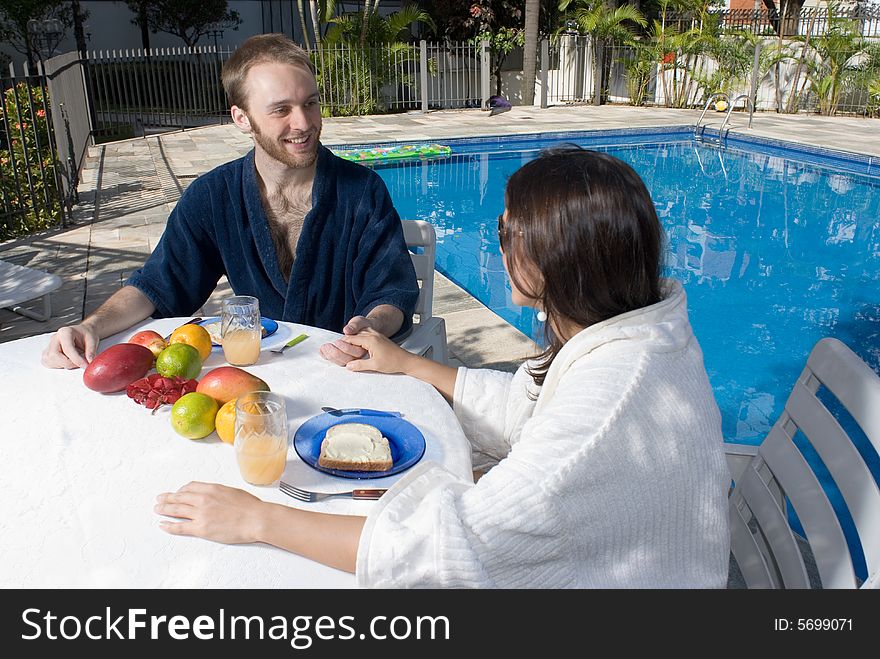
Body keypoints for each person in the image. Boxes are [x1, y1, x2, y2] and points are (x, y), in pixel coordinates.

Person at [154, 147, 731, 588]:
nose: (497, 242)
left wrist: (258, 520)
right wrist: (407, 363)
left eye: (508, 231)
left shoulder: (608, 406)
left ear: (559, 258)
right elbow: (527, 409)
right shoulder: (637, 332)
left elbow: (451, 548)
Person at [41, 34, 419, 370]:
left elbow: (391, 291)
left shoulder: (361, 191)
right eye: (281, 109)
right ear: (241, 117)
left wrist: (372, 324)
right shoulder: (213, 197)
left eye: (311, 103)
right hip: (261, 371)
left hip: (344, 369)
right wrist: (88, 325)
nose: (303, 123)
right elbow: (158, 284)